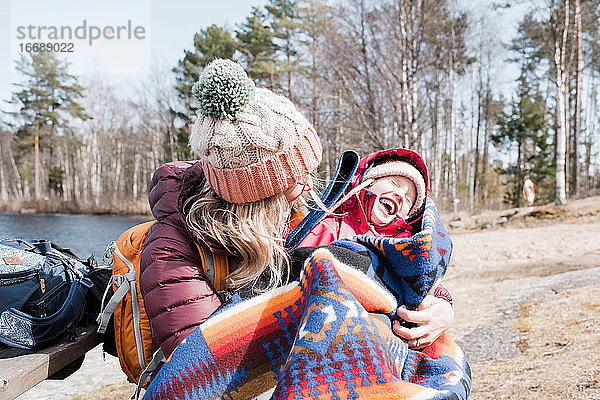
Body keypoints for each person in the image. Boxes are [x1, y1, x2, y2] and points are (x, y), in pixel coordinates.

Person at [138, 59, 451, 360]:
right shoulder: (172, 250)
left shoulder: (293, 215)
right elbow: (201, 368)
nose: (309, 188)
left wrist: (439, 305)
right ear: (259, 194)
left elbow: (374, 268)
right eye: (296, 179)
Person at [299, 148, 454, 349]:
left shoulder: (401, 245)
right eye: (394, 183)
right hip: (316, 325)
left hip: (375, 339)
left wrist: (444, 307)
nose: (400, 195)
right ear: (369, 181)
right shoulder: (326, 221)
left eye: (408, 199)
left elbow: (422, 280)